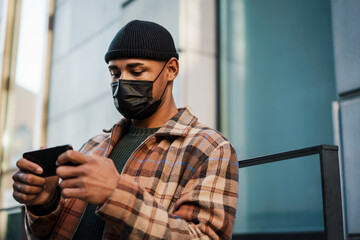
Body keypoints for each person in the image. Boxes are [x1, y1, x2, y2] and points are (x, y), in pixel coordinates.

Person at [12, 20, 238, 239]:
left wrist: (116, 193)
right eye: (115, 73)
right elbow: (43, 234)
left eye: (137, 72)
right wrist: (44, 203)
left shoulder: (210, 148)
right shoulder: (92, 146)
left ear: (171, 69)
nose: (122, 83)